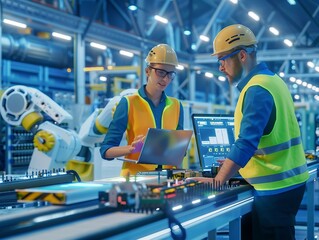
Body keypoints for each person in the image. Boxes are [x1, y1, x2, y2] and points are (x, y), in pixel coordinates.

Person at [188, 24, 309, 240]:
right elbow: (269, 136)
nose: (220, 67)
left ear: (242, 55)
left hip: (276, 188)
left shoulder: (256, 90)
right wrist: (231, 162)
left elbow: (245, 143)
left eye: (223, 59)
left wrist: (219, 180)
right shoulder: (272, 80)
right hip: (288, 181)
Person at [100, 44, 184, 177]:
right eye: (161, 72)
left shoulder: (177, 106)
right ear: (147, 71)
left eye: (170, 74)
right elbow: (105, 151)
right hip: (135, 179)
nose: (166, 79)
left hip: (167, 179)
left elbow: (180, 150)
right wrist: (131, 149)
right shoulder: (128, 103)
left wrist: (178, 150)